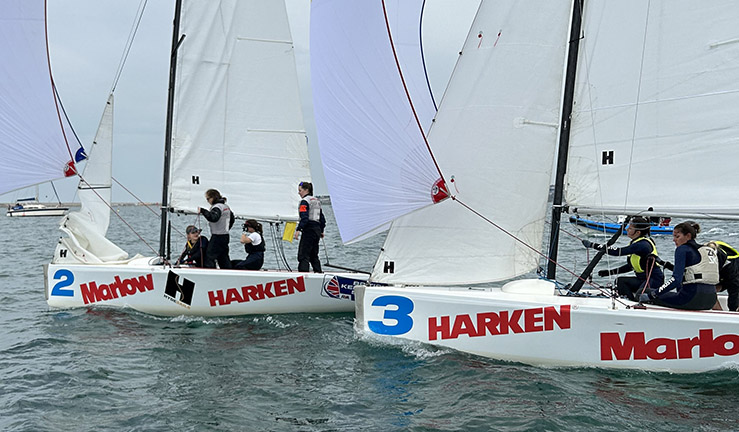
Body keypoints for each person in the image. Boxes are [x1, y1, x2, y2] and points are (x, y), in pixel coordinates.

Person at [582, 216, 664, 300]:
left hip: (654, 280)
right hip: (642, 279)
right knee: (620, 281)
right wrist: (609, 272)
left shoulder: (643, 245)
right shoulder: (635, 242)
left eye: (630, 228)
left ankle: (635, 303)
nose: (627, 229)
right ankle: (630, 302)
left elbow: (618, 251)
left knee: (640, 296)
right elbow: (631, 266)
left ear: (638, 232)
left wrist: (593, 245)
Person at [643, 221, 718, 310]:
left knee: (645, 291)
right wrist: (663, 263)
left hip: (691, 299)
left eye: (677, 236)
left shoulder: (682, 249)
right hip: (711, 300)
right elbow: (690, 272)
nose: (674, 240)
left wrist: (653, 294)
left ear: (688, 236)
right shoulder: (707, 250)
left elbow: (676, 280)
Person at [198, 188, 234, 269]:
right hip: (225, 236)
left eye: (208, 199)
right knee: (223, 257)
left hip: (217, 236)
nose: (207, 201)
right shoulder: (226, 207)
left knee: (209, 256)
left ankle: (210, 273)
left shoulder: (217, 207)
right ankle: (228, 271)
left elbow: (213, 218)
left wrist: (203, 211)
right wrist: (226, 229)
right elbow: (232, 219)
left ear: (213, 197)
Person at [294, 181, 325, 273]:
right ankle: (318, 272)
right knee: (313, 254)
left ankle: (303, 274)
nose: (299, 193)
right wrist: (321, 230)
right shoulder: (316, 201)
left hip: (309, 229)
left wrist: (298, 229)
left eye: (300, 190)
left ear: (306, 190)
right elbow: (322, 218)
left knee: (303, 254)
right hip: (317, 229)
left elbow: (304, 217)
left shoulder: (305, 201)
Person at [705, 240, 739, 311]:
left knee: (734, 300)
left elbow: (734, 287)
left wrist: (733, 309)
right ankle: (718, 312)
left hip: (733, 273)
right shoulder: (701, 257)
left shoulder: (729, 266)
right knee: (708, 288)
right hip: (720, 273)